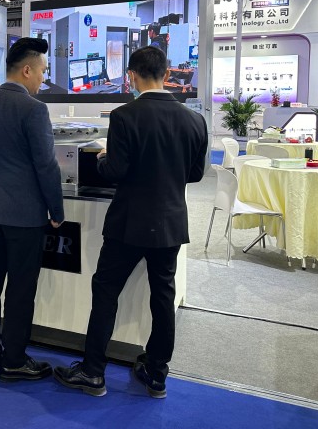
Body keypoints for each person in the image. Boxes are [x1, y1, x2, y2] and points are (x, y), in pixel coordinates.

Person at [53, 46, 207, 399]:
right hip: (169, 222)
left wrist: (104, 158)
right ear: (167, 74)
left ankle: (93, 372)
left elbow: (115, 171)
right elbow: (196, 174)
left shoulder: (125, 115)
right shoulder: (194, 120)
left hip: (128, 222)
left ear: (132, 76)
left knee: (106, 293)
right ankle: (157, 374)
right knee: (163, 297)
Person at [0, 37, 64, 383]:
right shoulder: (34, 109)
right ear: (26, 70)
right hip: (25, 215)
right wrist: (56, 209)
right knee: (21, 290)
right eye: (42, 71)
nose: (42, 78)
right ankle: (14, 360)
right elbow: (46, 166)